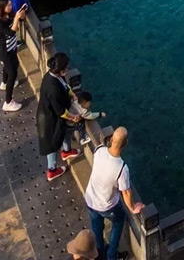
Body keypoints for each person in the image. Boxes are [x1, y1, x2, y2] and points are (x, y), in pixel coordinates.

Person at [84, 126, 144, 260]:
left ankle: (98, 255)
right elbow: (126, 192)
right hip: (107, 206)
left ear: (111, 139)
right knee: (118, 220)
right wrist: (133, 207)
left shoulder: (99, 150)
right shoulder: (122, 168)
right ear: (125, 144)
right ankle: (111, 256)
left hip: (90, 199)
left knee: (96, 229)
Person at [36, 52, 80, 181]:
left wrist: (71, 94)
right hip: (50, 119)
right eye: (66, 67)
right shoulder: (53, 89)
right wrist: (73, 117)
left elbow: (65, 86)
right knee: (52, 143)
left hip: (53, 114)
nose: (67, 69)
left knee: (65, 131)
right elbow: (61, 112)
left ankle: (66, 151)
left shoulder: (52, 76)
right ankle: (52, 170)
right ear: (60, 69)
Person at [0, 0, 28, 112]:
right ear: (2, 8)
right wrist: (16, 18)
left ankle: (4, 82)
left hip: (11, 48)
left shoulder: (9, 15)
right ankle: (8, 102)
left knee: (14, 64)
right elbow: (11, 33)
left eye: (11, 4)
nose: (11, 7)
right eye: (8, 5)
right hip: (4, 51)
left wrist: (21, 16)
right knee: (12, 73)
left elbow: (18, 20)